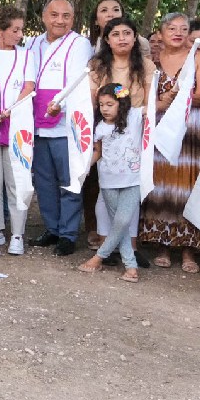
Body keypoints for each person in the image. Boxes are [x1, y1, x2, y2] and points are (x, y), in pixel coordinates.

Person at [139, 13, 200, 272]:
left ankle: (188, 249)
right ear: (160, 33)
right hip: (159, 127)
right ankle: (161, 244)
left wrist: (175, 97)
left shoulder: (198, 56)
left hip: (189, 127)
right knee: (160, 185)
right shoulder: (153, 60)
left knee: (187, 185)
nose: (178, 32)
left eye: (184, 28)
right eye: (172, 28)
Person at [28, 0, 94, 256]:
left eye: (66, 16)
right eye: (54, 15)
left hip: (65, 123)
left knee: (68, 180)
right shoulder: (33, 43)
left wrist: (60, 104)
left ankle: (67, 233)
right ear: (44, 17)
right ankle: (52, 228)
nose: (60, 20)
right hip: (36, 122)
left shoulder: (79, 43)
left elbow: (78, 80)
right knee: (43, 181)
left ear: (73, 19)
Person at [87, 17, 155, 262]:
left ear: (135, 37)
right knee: (105, 193)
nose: (122, 38)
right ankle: (108, 246)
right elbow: (89, 101)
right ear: (107, 39)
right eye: (116, 34)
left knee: (130, 194)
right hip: (105, 129)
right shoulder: (97, 65)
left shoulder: (145, 65)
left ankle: (130, 250)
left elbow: (149, 102)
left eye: (128, 33)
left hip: (135, 131)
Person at [0, 6, 36, 255]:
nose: (20, 34)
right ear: (0, 30)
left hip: (17, 124)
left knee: (17, 180)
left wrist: (11, 109)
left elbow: (29, 85)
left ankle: (17, 233)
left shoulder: (26, 56)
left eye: (21, 30)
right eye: (15, 30)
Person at [78, 83, 143, 283]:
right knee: (119, 223)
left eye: (110, 104)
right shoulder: (99, 127)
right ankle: (131, 267)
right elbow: (97, 152)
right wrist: (82, 167)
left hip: (133, 180)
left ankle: (99, 257)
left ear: (121, 104)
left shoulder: (135, 117)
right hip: (108, 181)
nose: (105, 108)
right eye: (101, 104)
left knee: (123, 221)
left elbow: (158, 107)